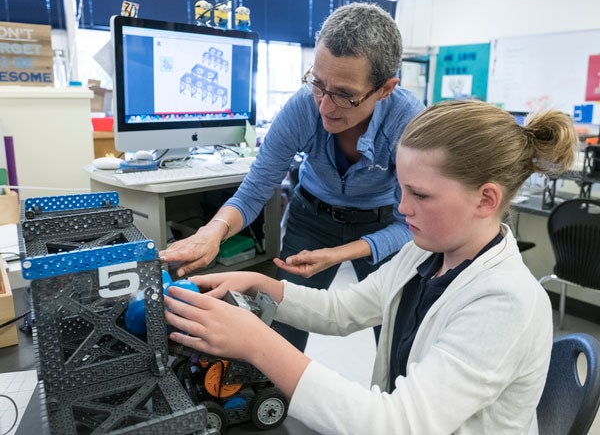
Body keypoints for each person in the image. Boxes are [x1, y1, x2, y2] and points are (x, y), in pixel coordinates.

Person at [163, 100, 579, 434]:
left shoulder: (506, 303)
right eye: (401, 188)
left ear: (486, 200)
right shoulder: (426, 253)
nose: (401, 207)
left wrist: (257, 343)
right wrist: (259, 285)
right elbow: (342, 312)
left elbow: (396, 424)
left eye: (420, 194)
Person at [159, 2, 424, 351]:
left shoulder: (408, 122)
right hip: (311, 220)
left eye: (344, 95)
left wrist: (339, 253)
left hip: (382, 224)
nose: (325, 106)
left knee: (393, 330)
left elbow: (411, 223)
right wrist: (213, 232)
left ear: (386, 88)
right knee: (283, 326)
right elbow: (255, 189)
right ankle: (275, 406)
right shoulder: (303, 107)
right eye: (318, 83)